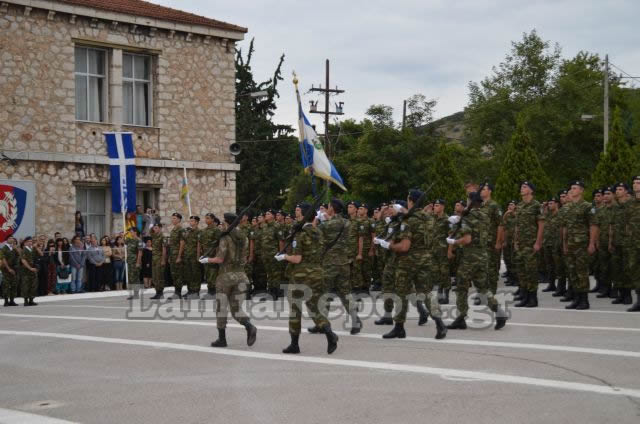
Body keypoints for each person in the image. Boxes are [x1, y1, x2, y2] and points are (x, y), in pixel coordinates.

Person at [276, 202, 339, 355]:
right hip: (317, 274)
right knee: (315, 308)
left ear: (304, 215)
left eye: (298, 212)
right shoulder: (318, 232)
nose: (295, 214)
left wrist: (284, 256)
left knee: (295, 310)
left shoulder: (301, 234)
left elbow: (297, 258)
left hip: (301, 276)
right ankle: (329, 333)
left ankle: (294, 344)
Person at [383, 189, 447, 340]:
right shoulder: (429, 219)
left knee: (401, 294)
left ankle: (399, 328)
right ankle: (440, 324)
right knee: (426, 293)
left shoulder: (409, 221)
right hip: (426, 260)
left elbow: (404, 246)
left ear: (411, 200)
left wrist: (389, 246)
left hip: (408, 262)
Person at [446, 192, 507, 330]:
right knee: (483, 288)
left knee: (461, 287)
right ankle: (499, 312)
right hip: (483, 255)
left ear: (470, 202)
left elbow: (467, 239)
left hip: (470, 257)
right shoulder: (485, 216)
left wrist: (454, 241)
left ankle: (461, 317)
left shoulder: (468, 217)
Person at [199, 213, 257, 348]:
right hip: (242, 276)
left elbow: (220, 259)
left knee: (221, 308)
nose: (222, 224)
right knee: (236, 309)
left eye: (223, 222)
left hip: (226, 277)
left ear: (227, 223)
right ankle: (249, 326)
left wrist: (206, 259)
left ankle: (222, 339)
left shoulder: (225, 237)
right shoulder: (244, 237)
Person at [316, 198, 360, 334]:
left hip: (330, 263)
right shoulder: (347, 223)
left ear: (332, 208)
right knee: (345, 293)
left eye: (328, 206)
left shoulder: (326, 225)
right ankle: (355, 320)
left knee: (325, 294)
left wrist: (318, 219)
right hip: (343, 262)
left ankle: (322, 324)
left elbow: (316, 236)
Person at [562, 181, 598, 310]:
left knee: (582, 272)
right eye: (571, 188)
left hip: (582, 245)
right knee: (572, 272)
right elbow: (565, 227)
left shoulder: (588, 206)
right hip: (571, 244)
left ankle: (584, 300)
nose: (572, 190)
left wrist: (592, 243)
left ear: (581, 191)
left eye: (575, 188)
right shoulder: (568, 207)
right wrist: (565, 243)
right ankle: (576, 298)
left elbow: (593, 225)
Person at [513, 181, 544, 308]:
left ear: (531, 190)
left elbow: (541, 225)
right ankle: (525, 296)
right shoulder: (519, 206)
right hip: (520, 244)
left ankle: (533, 298)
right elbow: (517, 225)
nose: (521, 189)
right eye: (521, 187)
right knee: (521, 271)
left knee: (531, 271)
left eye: (524, 187)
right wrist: (515, 241)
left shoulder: (536, 205)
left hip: (531, 243)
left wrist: (538, 242)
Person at [200, 213, 222, 300]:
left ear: (213, 219)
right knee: (208, 274)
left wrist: (217, 256)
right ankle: (210, 291)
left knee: (213, 274)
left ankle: (214, 292)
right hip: (206, 256)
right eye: (205, 218)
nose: (206, 220)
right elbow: (202, 243)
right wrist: (202, 253)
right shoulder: (204, 230)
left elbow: (219, 244)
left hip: (213, 256)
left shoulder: (216, 230)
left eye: (208, 218)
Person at [183, 216, 202, 299]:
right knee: (188, 274)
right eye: (190, 221)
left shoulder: (199, 232)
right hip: (187, 255)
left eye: (192, 221)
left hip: (194, 255)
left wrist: (198, 256)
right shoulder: (188, 231)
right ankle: (190, 290)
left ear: (197, 222)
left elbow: (199, 244)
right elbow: (185, 242)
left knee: (195, 274)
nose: (191, 222)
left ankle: (196, 291)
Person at [168, 213, 186, 299]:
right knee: (173, 274)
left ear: (179, 219)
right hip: (172, 255)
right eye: (172, 218)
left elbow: (182, 243)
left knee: (178, 274)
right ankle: (176, 291)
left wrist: (179, 256)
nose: (173, 220)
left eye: (174, 218)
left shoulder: (181, 230)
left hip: (177, 255)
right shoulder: (173, 229)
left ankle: (178, 292)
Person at [149, 223, 167, 300]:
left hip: (159, 258)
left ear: (160, 228)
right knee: (155, 276)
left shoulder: (163, 237)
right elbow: (149, 231)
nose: (154, 229)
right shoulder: (154, 236)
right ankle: (157, 292)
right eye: (154, 228)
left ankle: (160, 292)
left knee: (159, 276)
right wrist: (152, 224)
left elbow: (164, 249)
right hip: (154, 259)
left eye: (156, 228)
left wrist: (163, 260)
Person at [20, 237, 39, 306]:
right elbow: (23, 260)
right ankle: (26, 300)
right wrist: (30, 268)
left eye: (31, 241)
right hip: (26, 271)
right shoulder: (24, 250)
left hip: (33, 271)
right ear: (25, 242)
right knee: (26, 286)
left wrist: (36, 247)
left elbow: (41, 255)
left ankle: (31, 300)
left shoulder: (32, 249)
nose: (30, 242)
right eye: (28, 241)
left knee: (33, 285)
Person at [125, 227, 143, 300]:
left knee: (135, 278)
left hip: (135, 261)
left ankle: (136, 294)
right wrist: (124, 235)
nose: (130, 233)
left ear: (135, 232)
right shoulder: (130, 240)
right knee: (131, 278)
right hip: (130, 261)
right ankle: (134, 294)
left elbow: (140, 252)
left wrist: (138, 262)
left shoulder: (138, 240)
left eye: (131, 232)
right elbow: (123, 241)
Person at [1, 237, 19, 306]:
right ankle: (6, 301)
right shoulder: (4, 248)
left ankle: (12, 300)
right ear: (7, 240)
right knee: (6, 285)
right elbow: (3, 259)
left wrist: (15, 248)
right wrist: (9, 269)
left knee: (14, 284)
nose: (12, 239)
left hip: (14, 269)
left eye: (13, 238)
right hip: (6, 270)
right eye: (10, 238)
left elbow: (19, 254)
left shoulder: (13, 248)